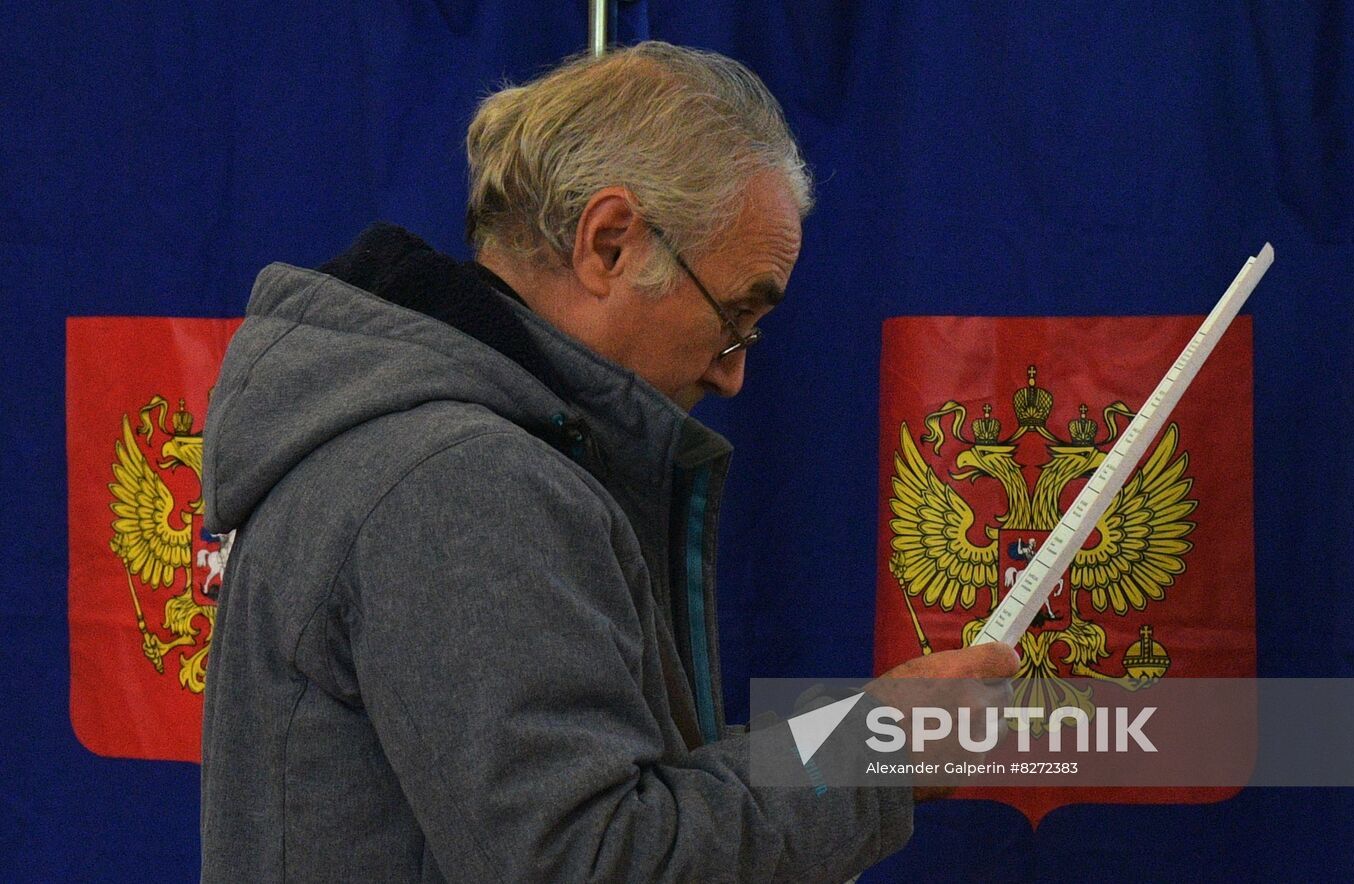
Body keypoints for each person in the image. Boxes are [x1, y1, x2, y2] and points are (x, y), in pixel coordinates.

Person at [199, 41, 1018, 882]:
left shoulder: (422, 442)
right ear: (610, 242)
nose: (734, 371)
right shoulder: (464, 481)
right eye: (736, 314)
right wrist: (876, 747)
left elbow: (612, 805)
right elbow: (589, 861)